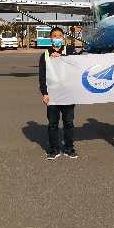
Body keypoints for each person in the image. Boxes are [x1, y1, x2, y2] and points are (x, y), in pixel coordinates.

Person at [38, 27, 78, 160]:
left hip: (68, 94)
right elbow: (42, 76)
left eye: (59, 35)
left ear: (63, 38)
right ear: (51, 38)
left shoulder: (70, 51)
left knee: (68, 123)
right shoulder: (44, 55)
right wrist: (44, 93)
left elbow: (78, 65)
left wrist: (63, 57)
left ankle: (69, 148)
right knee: (53, 124)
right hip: (53, 95)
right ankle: (54, 149)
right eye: (54, 36)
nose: (57, 38)